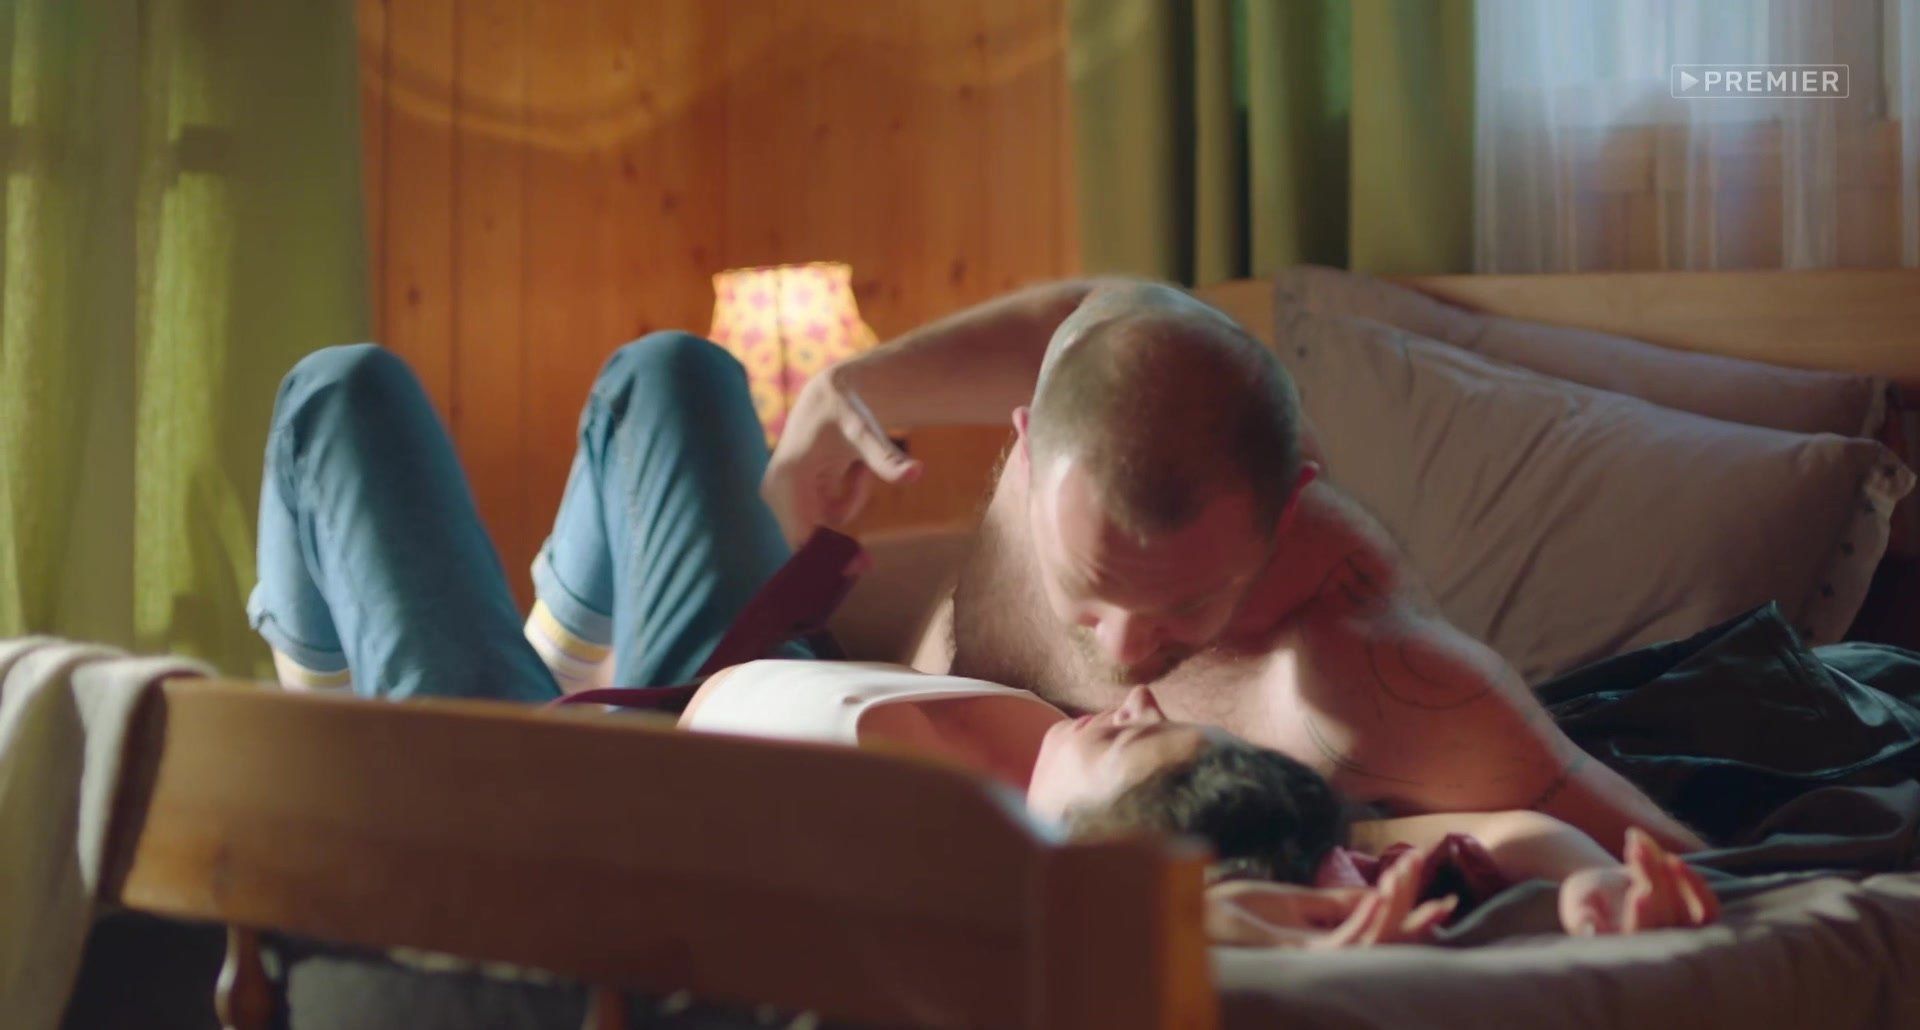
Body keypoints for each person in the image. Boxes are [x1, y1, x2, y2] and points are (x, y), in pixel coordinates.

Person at [761, 280, 1707, 855]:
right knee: (690, 382)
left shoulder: (1375, 682)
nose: (1127, 656)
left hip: (854, 822)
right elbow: (1083, 314)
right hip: (817, 711)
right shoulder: (1085, 372)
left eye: (1185, 604)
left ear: (1284, 511)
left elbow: (1679, 869)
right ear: (1031, 444)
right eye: (1088, 595)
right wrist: (851, 387)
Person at [681, 662, 1718, 947]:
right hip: (748, 648)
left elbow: (1196, 917)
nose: (1135, 695)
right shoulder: (1278, 826)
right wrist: (1590, 885)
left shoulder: (963, 870)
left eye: (1132, 736)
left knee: (670, 378)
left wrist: (1246, 924)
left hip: (638, 721)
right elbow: (1510, 833)